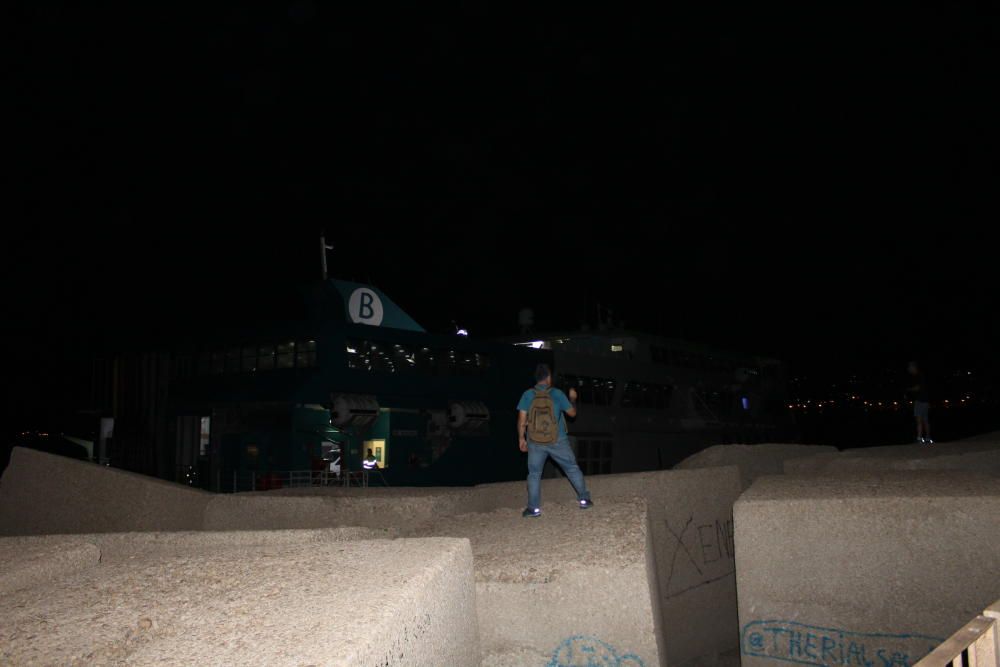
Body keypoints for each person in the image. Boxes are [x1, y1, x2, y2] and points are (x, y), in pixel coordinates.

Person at [516, 363, 593, 517]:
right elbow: (572, 414)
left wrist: (521, 439)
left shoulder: (527, 394)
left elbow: (521, 420)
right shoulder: (557, 394)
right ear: (549, 377)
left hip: (535, 441)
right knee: (571, 468)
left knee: (534, 474)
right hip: (558, 440)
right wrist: (572, 399)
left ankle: (533, 509)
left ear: (536, 379)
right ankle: (584, 500)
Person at [906, 361, 933, 444]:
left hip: (920, 401)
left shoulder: (918, 376)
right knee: (925, 421)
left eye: (909, 368)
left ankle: (919, 439)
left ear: (913, 367)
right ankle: (928, 439)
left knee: (919, 420)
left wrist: (909, 389)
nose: (909, 370)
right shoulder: (922, 375)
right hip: (925, 401)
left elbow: (918, 388)